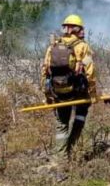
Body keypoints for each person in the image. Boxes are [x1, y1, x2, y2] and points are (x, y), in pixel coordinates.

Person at [41, 14, 98, 159]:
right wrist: (92, 95)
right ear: (76, 29)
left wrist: (47, 95)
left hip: (58, 92)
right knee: (80, 116)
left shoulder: (52, 47)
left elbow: (45, 72)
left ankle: (60, 158)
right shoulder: (83, 47)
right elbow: (90, 73)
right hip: (78, 91)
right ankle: (71, 148)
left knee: (62, 125)